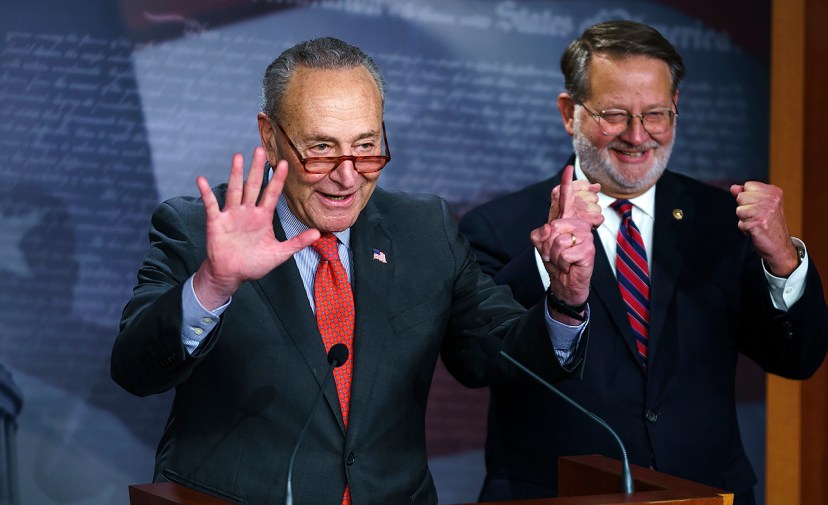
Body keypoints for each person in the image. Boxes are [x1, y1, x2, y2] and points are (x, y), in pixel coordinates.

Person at [111, 37, 600, 505]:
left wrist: (564, 300)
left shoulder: (423, 229)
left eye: (366, 146)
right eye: (321, 149)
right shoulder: (200, 228)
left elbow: (496, 352)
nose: (347, 176)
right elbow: (135, 369)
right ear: (270, 136)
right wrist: (213, 286)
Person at [459, 20, 828, 505]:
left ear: (676, 108)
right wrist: (545, 260)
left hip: (705, 492)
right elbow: (474, 360)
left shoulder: (722, 221)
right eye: (614, 113)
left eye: (656, 113)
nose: (638, 136)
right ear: (569, 112)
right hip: (556, 494)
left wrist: (783, 259)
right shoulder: (499, 226)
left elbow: (798, 359)